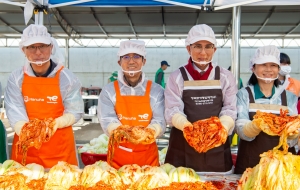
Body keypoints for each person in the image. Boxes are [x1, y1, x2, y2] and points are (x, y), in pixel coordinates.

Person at [5, 24, 84, 168]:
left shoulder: (66, 78)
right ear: (23, 50)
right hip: (26, 150)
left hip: (60, 151)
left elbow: (74, 111)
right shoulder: (17, 78)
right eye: (32, 47)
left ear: (51, 47)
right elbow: (15, 111)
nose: (38, 52)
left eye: (42, 46)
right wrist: (27, 131)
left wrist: (55, 124)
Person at [164, 24, 237, 173]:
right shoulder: (177, 77)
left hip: (216, 150)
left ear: (214, 49)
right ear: (188, 48)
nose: (203, 52)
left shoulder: (225, 77)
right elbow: (172, 110)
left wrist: (222, 126)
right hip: (182, 149)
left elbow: (230, 108)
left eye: (208, 46)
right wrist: (187, 127)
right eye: (197, 46)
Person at [97, 40, 166, 169]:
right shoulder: (109, 91)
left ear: (144, 61)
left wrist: (150, 131)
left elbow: (160, 120)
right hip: (117, 161)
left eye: (136, 56)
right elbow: (107, 120)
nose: (131, 61)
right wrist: (125, 133)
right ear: (119, 62)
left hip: (148, 161)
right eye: (126, 57)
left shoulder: (156, 91)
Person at [234, 45, 299, 174]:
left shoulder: (290, 97)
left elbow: (292, 138)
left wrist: (294, 132)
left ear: (278, 69)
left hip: (281, 168)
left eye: (273, 65)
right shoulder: (244, 94)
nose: (268, 69)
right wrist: (258, 124)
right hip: (251, 166)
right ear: (253, 68)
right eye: (263, 65)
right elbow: (241, 130)